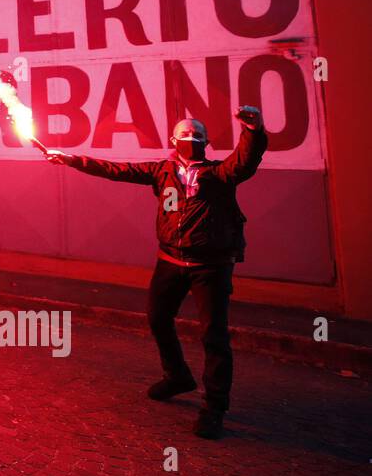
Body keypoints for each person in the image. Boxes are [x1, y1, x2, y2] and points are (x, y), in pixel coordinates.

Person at [45, 106, 267, 440]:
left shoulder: (220, 174)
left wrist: (253, 131)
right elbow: (113, 169)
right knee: (157, 318)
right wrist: (70, 158)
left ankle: (214, 408)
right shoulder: (160, 171)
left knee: (214, 336)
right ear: (172, 140)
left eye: (197, 136)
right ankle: (177, 376)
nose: (191, 139)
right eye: (185, 135)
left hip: (210, 267)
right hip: (170, 261)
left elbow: (245, 162)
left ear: (206, 142)